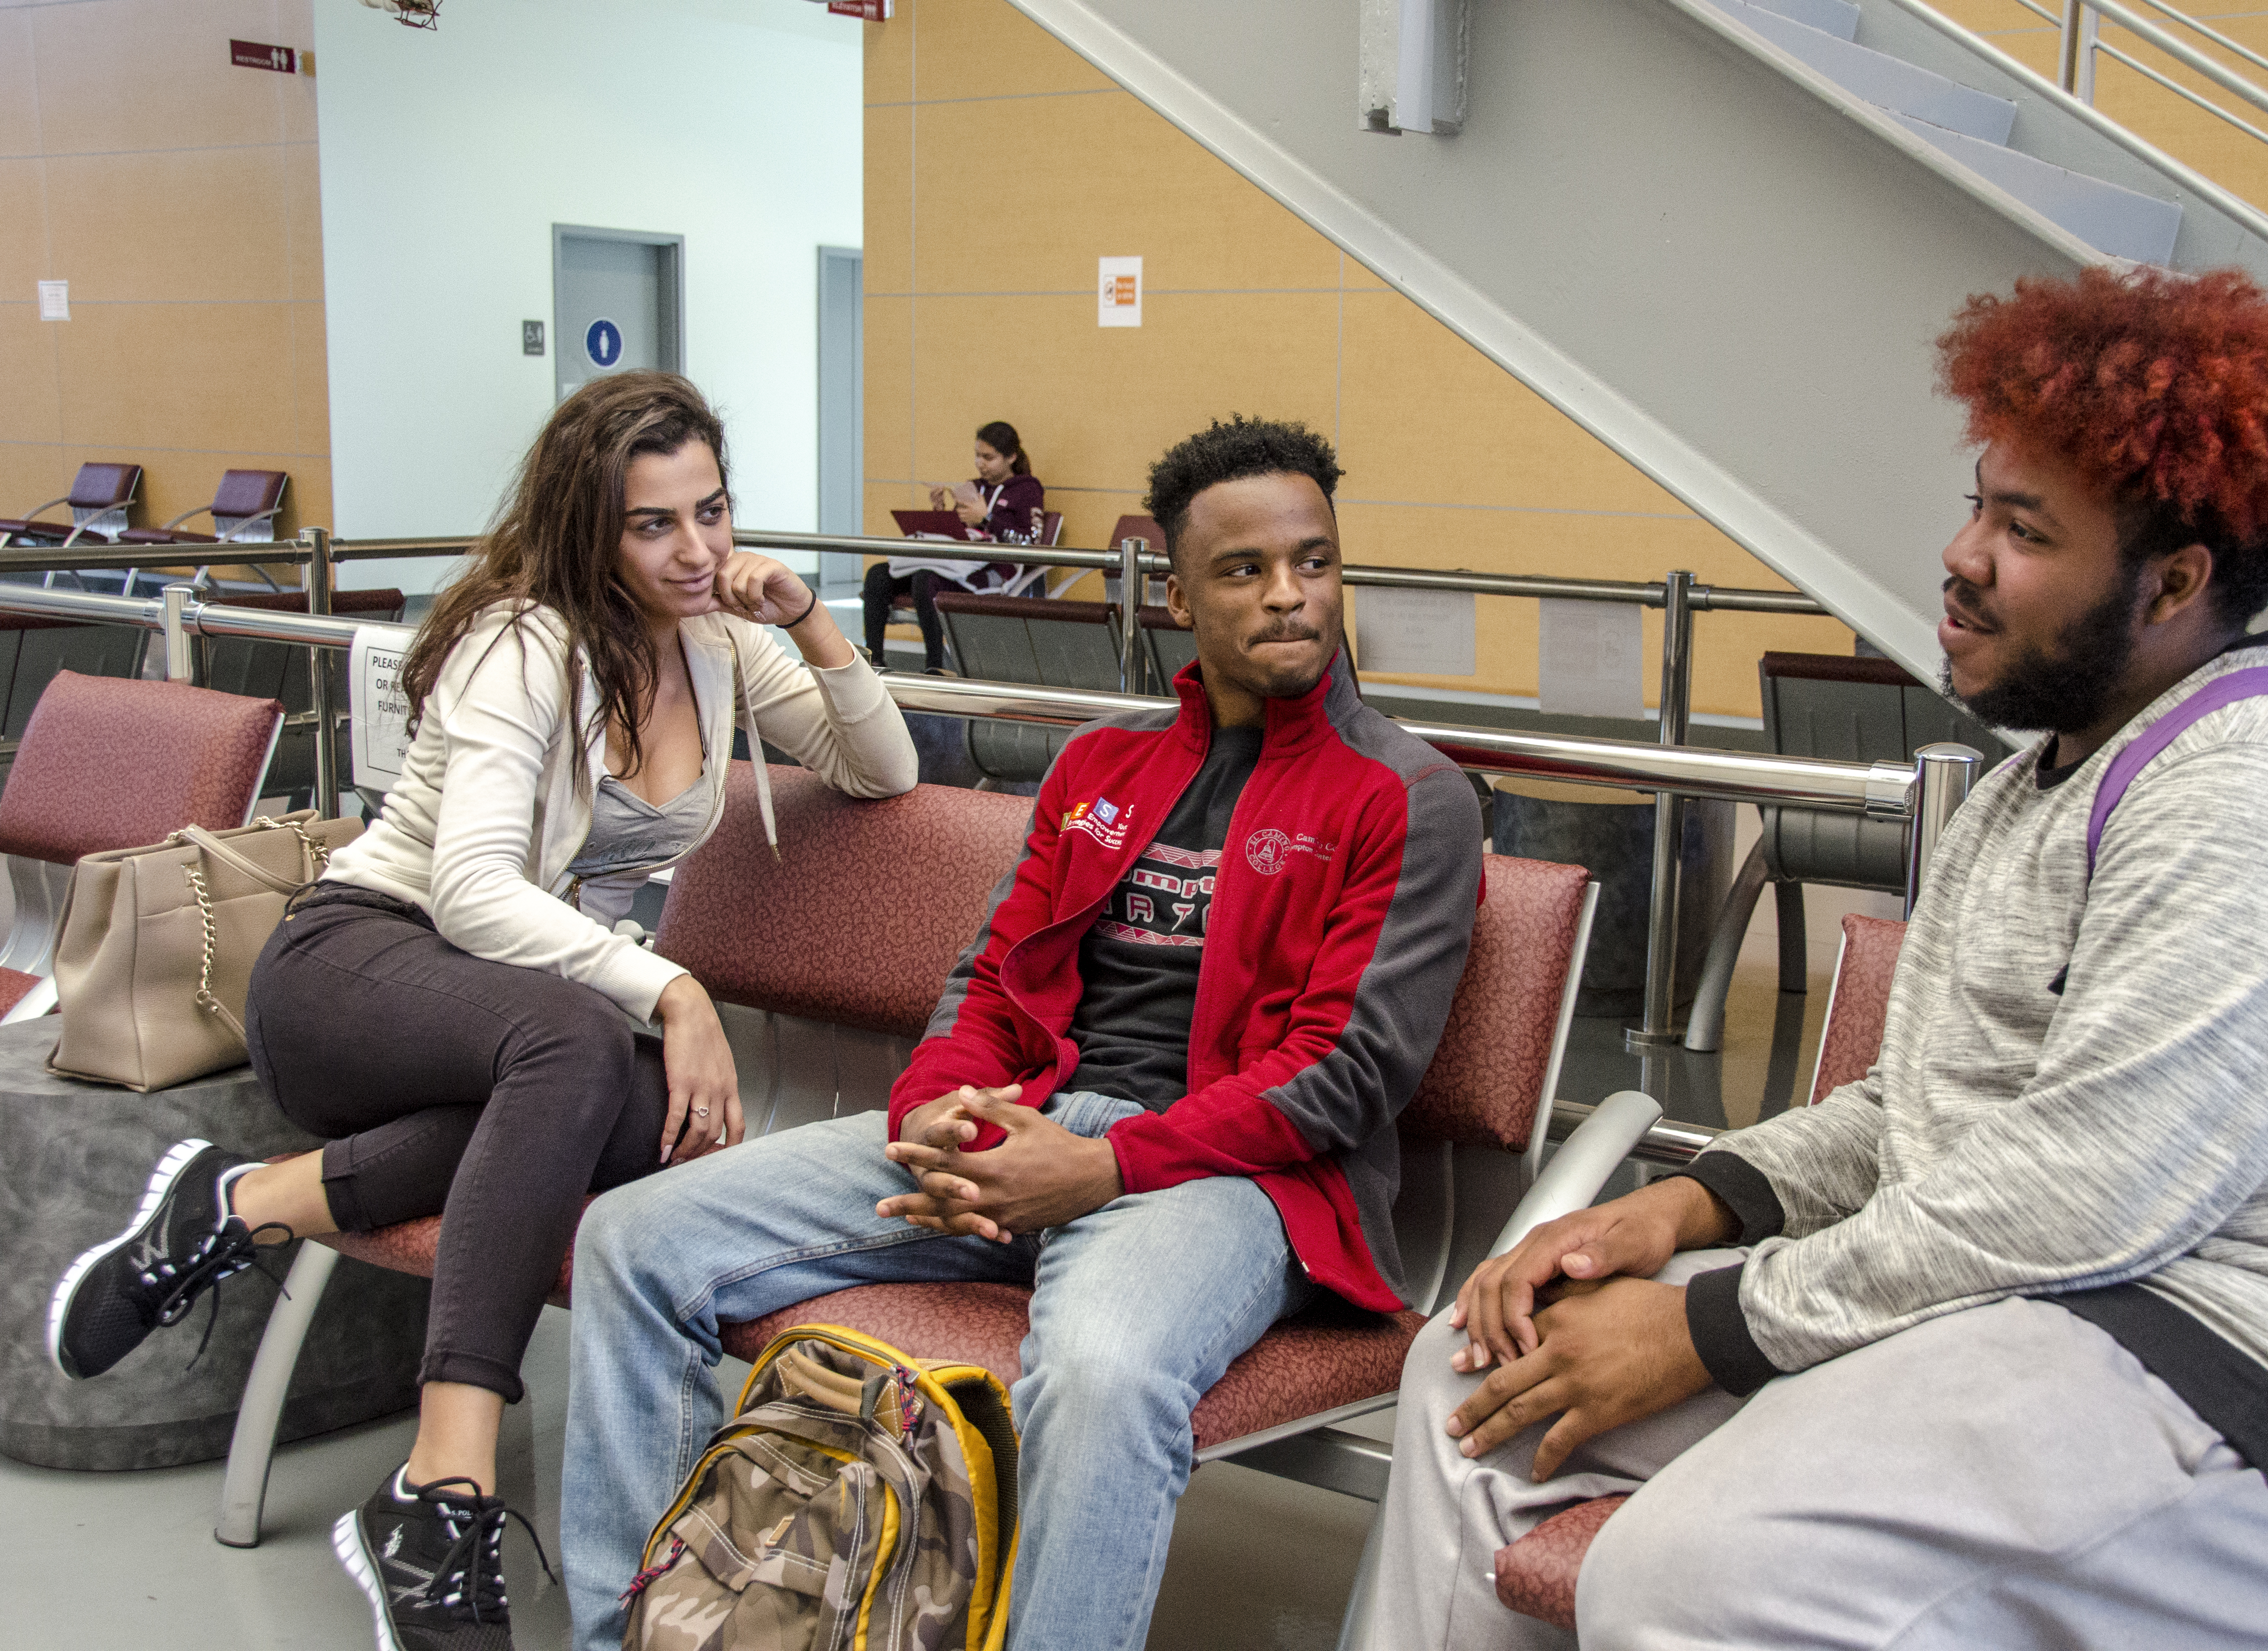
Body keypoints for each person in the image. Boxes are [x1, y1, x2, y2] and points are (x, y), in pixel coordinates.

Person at [1367, 266, 2268, 1651]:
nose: (1961, 554)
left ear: (2175, 583)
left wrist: (1710, 1326)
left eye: (2023, 529)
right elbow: (1920, 1110)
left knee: (1693, 1572)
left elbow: (2089, 1192)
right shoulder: (2031, 798)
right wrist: (1689, 1209)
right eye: (1977, 503)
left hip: (2259, 1390)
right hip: (2010, 1326)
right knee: (1473, 1388)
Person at [560, 415, 1484, 1649]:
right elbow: (989, 983)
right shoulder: (1103, 767)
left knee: (1103, 1374)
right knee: (634, 1237)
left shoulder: (1408, 797)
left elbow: (1343, 1073)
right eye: (1244, 570)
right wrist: (936, 1114)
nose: (1289, 597)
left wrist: (1095, 1168)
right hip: (1027, 1135)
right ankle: (627, 1632)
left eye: (1313, 562)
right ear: (1175, 592)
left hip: (1235, 1181)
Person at [45, 371, 916, 1651]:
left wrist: (809, 625)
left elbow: (879, 768)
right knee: (580, 1043)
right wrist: (674, 986)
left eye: (713, 514)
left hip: (508, 1024)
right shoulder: (526, 643)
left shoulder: (720, 640)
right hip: (356, 967)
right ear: (589, 528)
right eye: (654, 524)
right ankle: (443, 1486)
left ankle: (248, 1205)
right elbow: (469, 887)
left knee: (647, 1109)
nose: (697, 550)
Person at [862, 418, 1046, 672]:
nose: (980, 463)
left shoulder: (1027, 490)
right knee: (878, 575)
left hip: (994, 569)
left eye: (988, 458)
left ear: (1011, 457)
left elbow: (1032, 543)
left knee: (925, 579)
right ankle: (875, 661)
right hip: (959, 562)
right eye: (977, 456)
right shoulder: (973, 487)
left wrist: (989, 519)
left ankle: (935, 666)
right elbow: (960, 533)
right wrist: (940, 515)